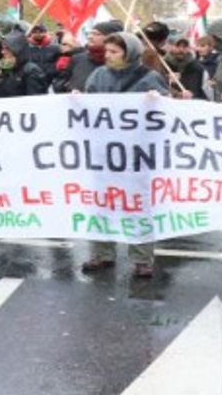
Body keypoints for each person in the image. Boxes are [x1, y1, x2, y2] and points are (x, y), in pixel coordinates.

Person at [79, 32, 169, 278]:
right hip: (104, 153)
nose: (107, 56)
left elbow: (166, 114)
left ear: (129, 53)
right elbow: (87, 108)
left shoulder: (150, 78)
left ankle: (142, 258)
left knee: (138, 205)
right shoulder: (98, 75)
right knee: (102, 203)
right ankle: (102, 253)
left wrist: (159, 100)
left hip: (137, 155)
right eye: (106, 51)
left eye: (114, 52)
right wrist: (77, 101)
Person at [54, 20, 122, 93]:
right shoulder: (78, 59)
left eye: (96, 34)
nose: (90, 37)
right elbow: (59, 84)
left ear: (110, 38)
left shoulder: (120, 63)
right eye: (90, 33)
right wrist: (70, 89)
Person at [0, 32, 48, 98]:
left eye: (7, 48)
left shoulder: (31, 71)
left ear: (17, 50)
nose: (2, 52)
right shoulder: (1, 70)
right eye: (2, 48)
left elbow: (35, 100)